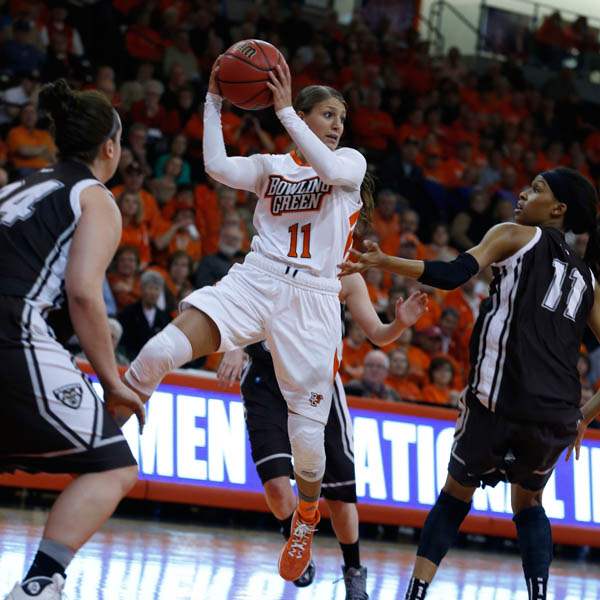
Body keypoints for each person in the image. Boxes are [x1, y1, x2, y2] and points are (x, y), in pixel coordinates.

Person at [120, 57, 373, 582]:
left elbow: (327, 169)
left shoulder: (349, 162)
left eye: (340, 118)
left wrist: (284, 112)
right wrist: (214, 100)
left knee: (309, 451)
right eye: (327, 114)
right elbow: (215, 165)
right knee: (156, 353)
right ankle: (99, 439)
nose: (336, 125)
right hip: (257, 278)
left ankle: (306, 516)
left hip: (313, 299)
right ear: (305, 113)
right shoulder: (271, 167)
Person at [340, 167, 600, 600]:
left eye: (536, 189)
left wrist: (383, 261)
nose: (522, 192)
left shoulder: (516, 235)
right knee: (529, 503)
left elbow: (453, 273)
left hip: (500, 399)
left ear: (557, 209)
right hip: (557, 414)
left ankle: (416, 593)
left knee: (455, 493)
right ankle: (538, 595)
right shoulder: (589, 279)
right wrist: (586, 416)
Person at [0, 79, 144, 600]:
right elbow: (85, 294)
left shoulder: (18, 185)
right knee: (114, 467)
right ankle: (39, 584)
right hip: (11, 328)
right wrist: (114, 381)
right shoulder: (95, 197)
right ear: (110, 147)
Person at [217, 276, 427, 597]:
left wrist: (398, 324)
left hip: (317, 383)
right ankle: (297, 544)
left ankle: (353, 569)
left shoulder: (347, 275)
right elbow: (226, 302)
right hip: (265, 379)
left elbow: (378, 334)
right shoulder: (273, 252)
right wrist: (232, 345)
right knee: (275, 486)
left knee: (340, 498)